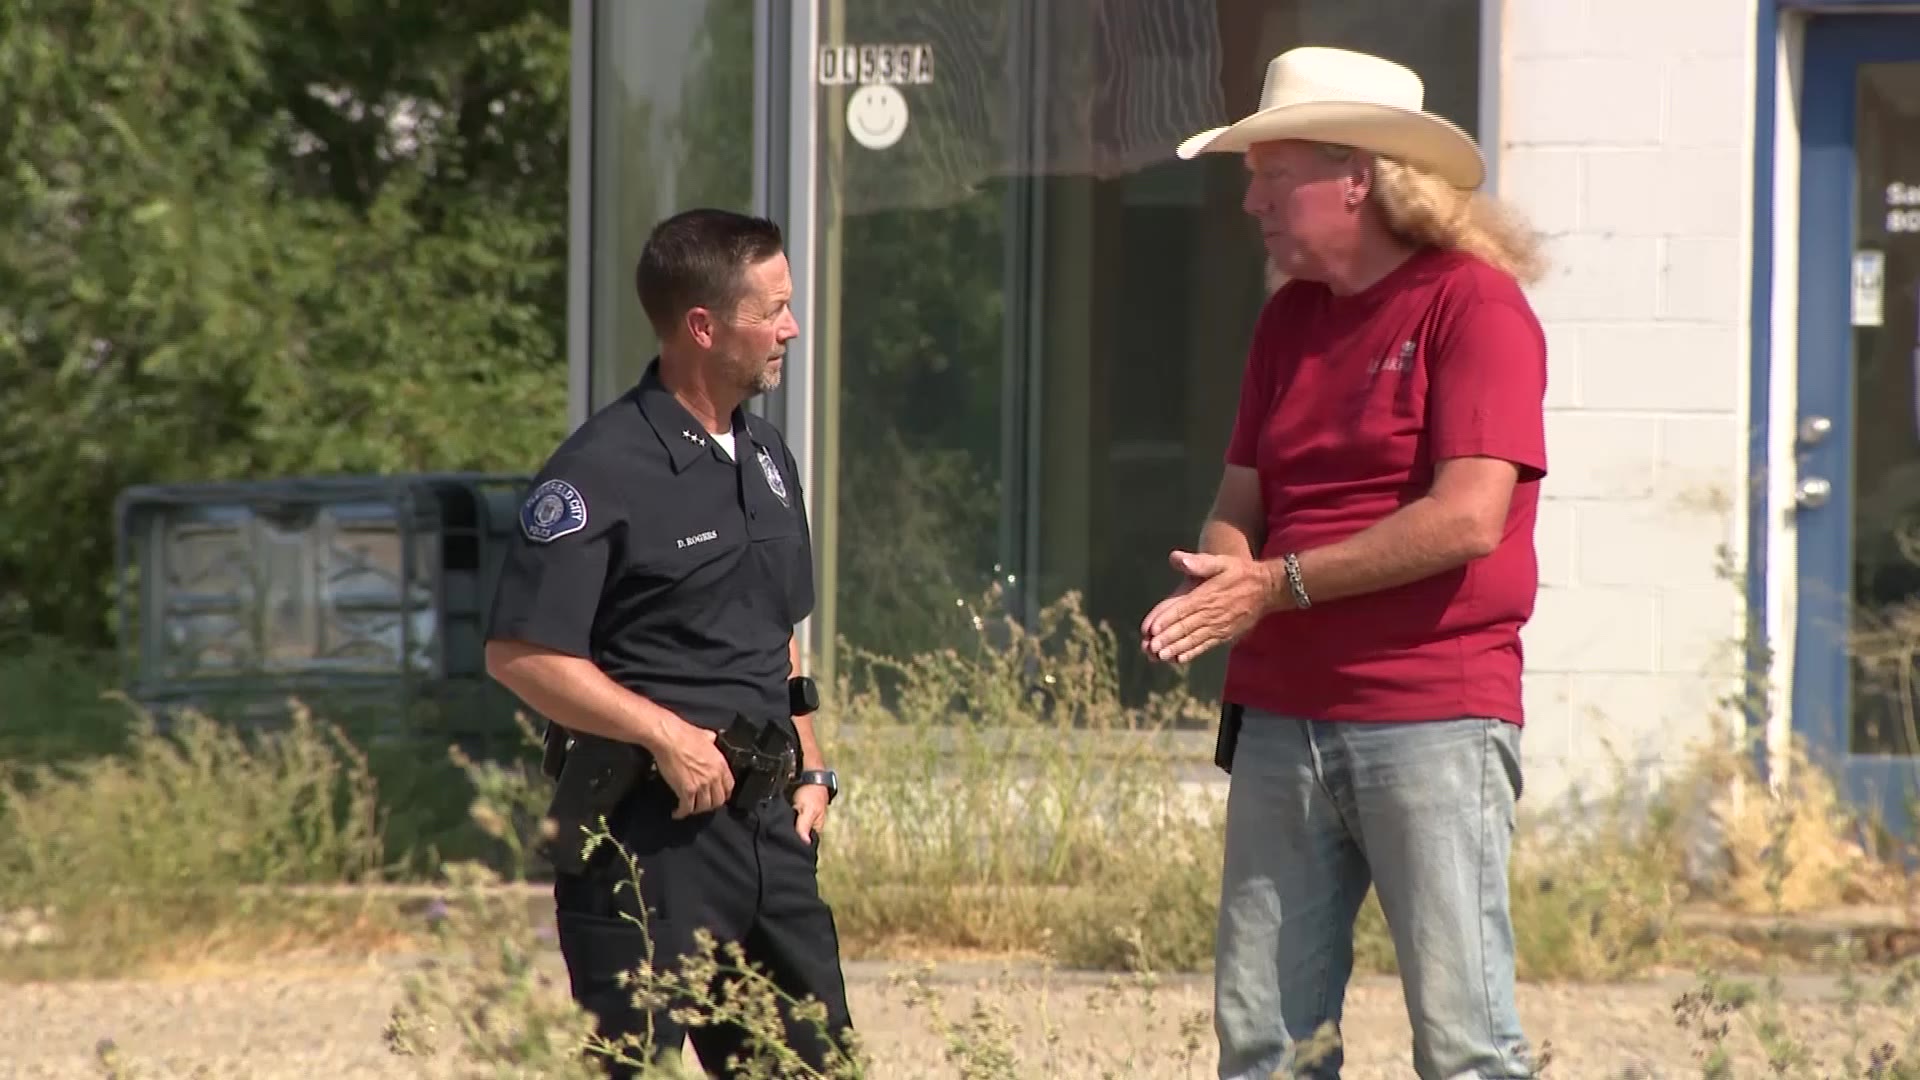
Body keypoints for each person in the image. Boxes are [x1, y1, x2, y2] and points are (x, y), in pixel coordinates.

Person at [1139, 47, 1551, 1080]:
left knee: (1464, 1046)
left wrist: (1273, 585)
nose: (1251, 206)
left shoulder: (1474, 306)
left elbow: (1467, 519)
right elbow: (1243, 501)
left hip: (1433, 716)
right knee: (1267, 1043)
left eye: (1271, 180)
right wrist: (1221, 583)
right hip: (1281, 716)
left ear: (1355, 178)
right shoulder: (1289, 318)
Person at [483, 207, 853, 1078]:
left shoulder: (766, 457)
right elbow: (521, 653)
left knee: (814, 1068)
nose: (791, 328)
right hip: (647, 845)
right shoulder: (597, 470)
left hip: (770, 837)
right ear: (703, 325)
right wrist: (663, 734)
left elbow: (776, 634)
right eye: (773, 310)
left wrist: (812, 762)